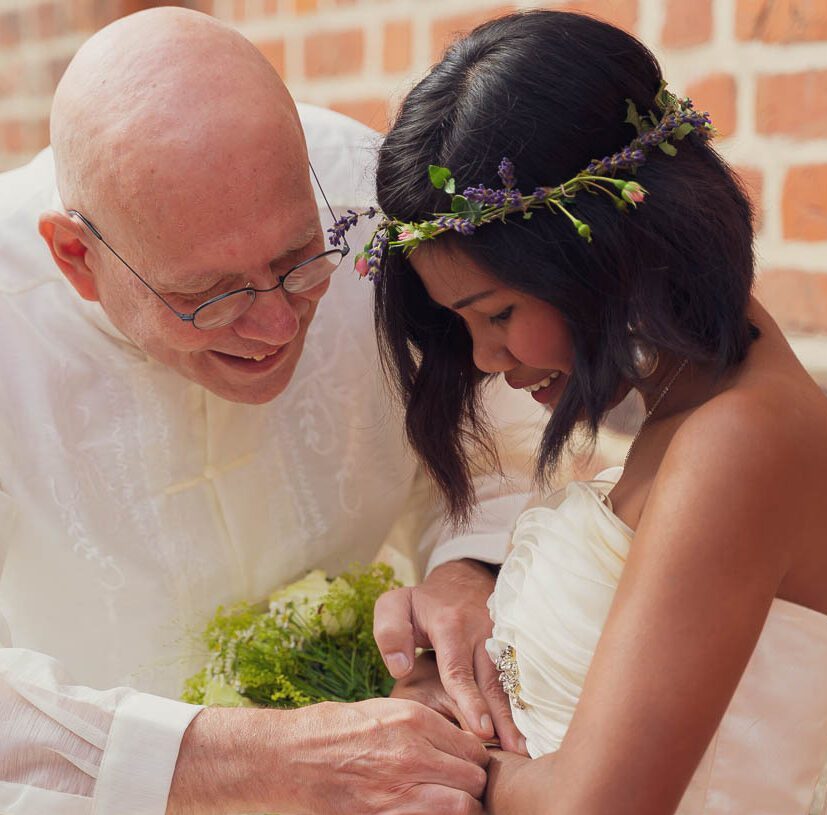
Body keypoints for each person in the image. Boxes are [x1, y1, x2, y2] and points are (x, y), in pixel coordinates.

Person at [0, 8, 543, 814]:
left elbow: (498, 432)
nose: (276, 327)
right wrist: (226, 763)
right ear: (76, 257)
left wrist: (469, 567)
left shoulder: (370, 196)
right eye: (208, 297)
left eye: (299, 262)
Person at [340, 10, 827, 815]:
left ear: (606, 248)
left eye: (495, 313)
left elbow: (594, 804)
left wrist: (428, 742)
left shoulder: (737, 442)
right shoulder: (691, 412)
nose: (486, 360)